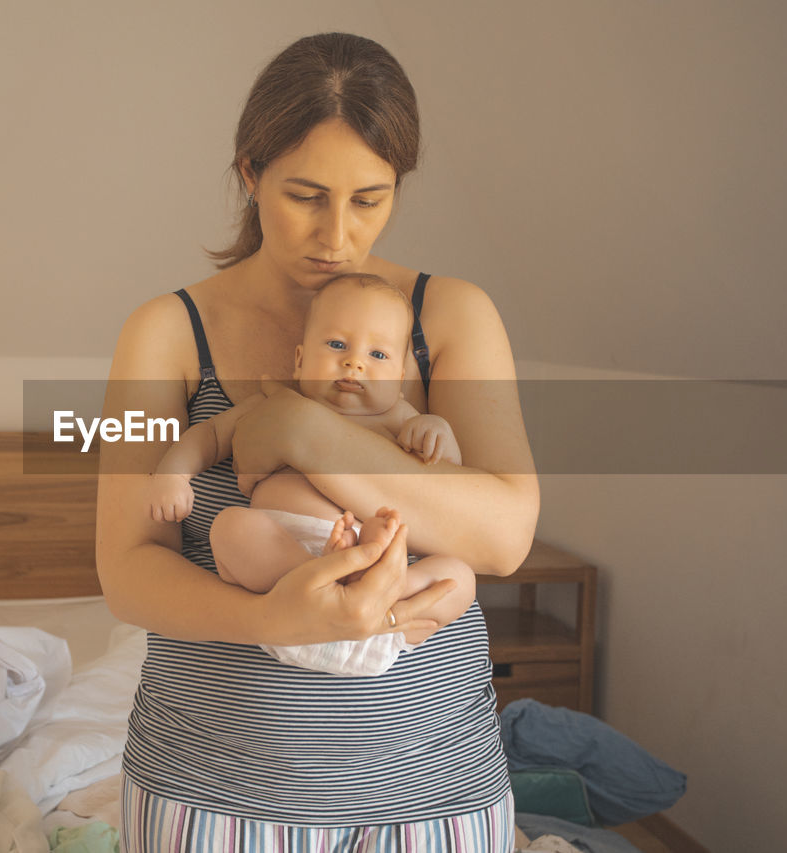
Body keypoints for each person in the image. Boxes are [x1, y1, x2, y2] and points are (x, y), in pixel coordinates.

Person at [96, 32, 538, 852]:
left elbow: (505, 535)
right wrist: (277, 617)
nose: (336, 236)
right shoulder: (164, 334)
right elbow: (126, 571)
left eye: (369, 199)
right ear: (249, 173)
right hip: (213, 799)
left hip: (437, 792)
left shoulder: (448, 319)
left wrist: (305, 428)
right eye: (306, 195)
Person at [145, 273, 477, 676]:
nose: (355, 362)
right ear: (300, 359)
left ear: (401, 377)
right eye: (337, 345)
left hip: (380, 583)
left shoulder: (403, 420)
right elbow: (211, 435)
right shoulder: (277, 402)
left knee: (459, 577)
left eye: (378, 355)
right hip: (287, 570)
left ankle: (384, 594)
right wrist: (173, 474)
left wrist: (438, 431)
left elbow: (453, 486)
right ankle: (324, 578)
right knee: (231, 527)